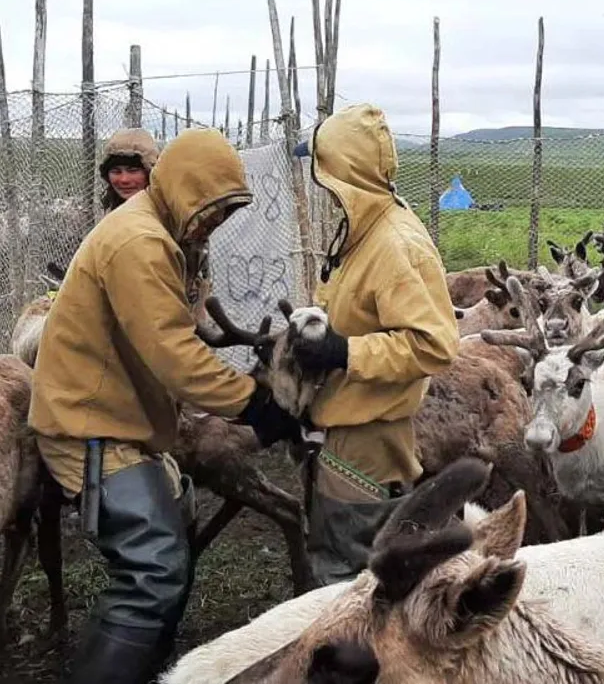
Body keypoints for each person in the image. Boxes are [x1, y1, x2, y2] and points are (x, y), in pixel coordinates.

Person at [29, 127, 304, 684]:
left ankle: (151, 671)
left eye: (226, 212)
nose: (215, 223)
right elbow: (173, 352)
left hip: (118, 420)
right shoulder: (139, 243)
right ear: (184, 189)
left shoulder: (162, 235)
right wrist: (254, 404)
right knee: (151, 569)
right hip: (89, 427)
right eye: (211, 209)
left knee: (168, 553)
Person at [288, 103, 460, 586]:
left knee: (346, 575)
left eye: (323, 170)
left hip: (367, 441)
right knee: (354, 560)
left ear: (343, 173)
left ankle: (357, 658)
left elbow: (434, 344)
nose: (321, 185)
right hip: (350, 429)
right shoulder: (363, 230)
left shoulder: (393, 244)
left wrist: (343, 353)